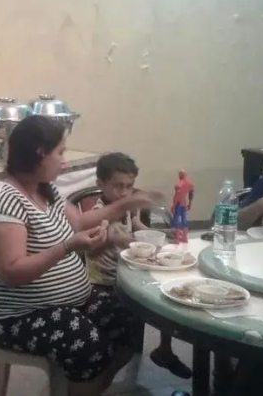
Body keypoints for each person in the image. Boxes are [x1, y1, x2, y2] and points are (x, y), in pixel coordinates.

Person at [0, 115, 159, 396]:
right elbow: (11, 272)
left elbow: (79, 222)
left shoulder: (45, 189)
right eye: (60, 153)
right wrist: (67, 247)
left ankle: (78, 389)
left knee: (129, 316)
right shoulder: (3, 202)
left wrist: (127, 204)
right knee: (88, 345)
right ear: (39, 154)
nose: (64, 161)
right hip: (12, 316)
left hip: (65, 302)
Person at [86, 153, 193, 379]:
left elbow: (137, 225)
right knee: (143, 302)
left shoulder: (126, 208)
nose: (125, 193)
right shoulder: (98, 214)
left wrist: (160, 234)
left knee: (164, 291)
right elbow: (99, 244)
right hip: (104, 281)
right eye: (118, 186)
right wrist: (118, 240)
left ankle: (164, 349)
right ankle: (115, 358)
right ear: (100, 184)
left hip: (129, 270)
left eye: (129, 186)